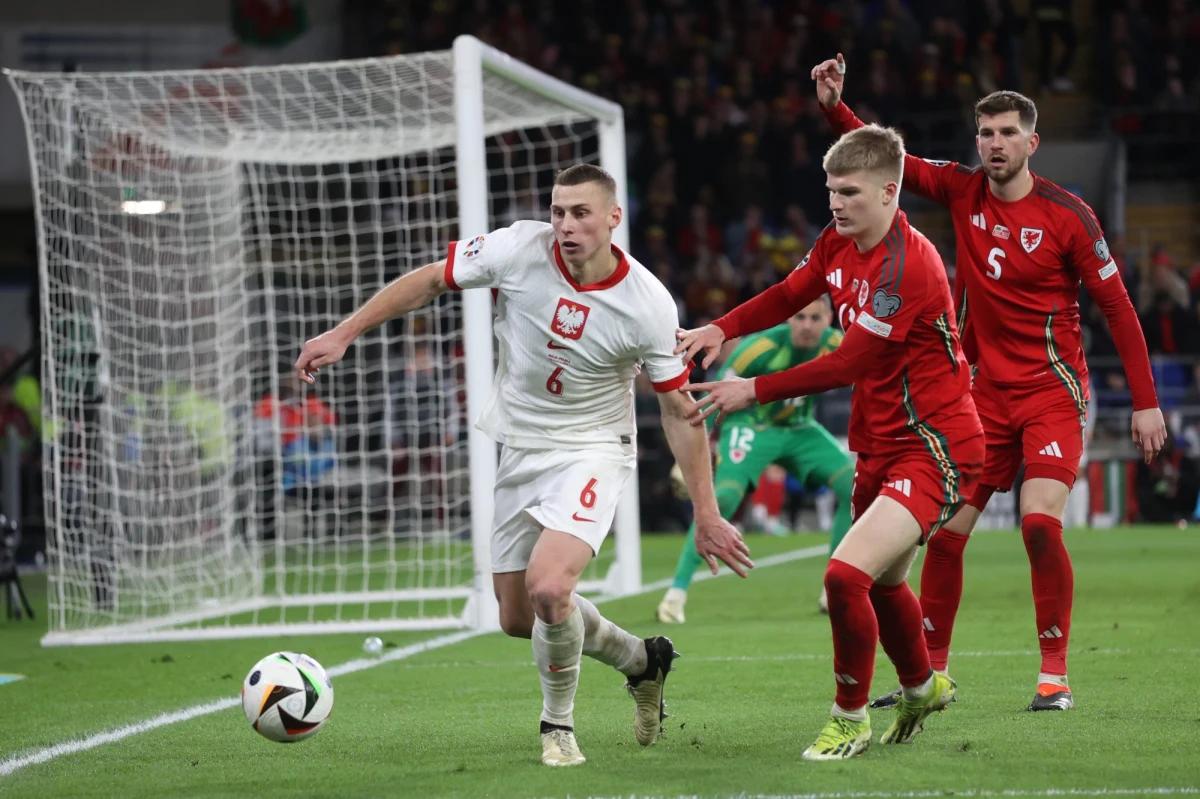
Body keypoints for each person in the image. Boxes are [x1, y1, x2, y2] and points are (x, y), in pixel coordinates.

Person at [294, 164, 752, 767]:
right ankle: (643, 660)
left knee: (550, 586)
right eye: (559, 211)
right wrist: (345, 331)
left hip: (592, 447)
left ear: (614, 218)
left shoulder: (648, 305)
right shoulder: (517, 247)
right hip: (521, 445)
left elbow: (677, 410)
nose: (565, 224)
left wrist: (707, 511)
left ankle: (556, 726)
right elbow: (434, 279)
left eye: (581, 213)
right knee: (520, 616)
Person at [812, 54, 1165, 711]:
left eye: (1006, 133)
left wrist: (1146, 402)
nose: (994, 144)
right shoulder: (960, 189)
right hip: (979, 398)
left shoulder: (1069, 215)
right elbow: (891, 167)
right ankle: (933, 673)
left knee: (1037, 523)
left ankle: (1054, 672)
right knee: (945, 536)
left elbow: (1117, 307)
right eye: (984, 133)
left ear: (1032, 142)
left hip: (1051, 392)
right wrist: (837, 108)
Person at [677, 124, 984, 760]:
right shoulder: (835, 240)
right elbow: (791, 293)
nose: (835, 203)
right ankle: (922, 685)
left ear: (890, 192)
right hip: (878, 441)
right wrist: (721, 327)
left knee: (844, 576)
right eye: (830, 191)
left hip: (936, 443)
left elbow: (849, 366)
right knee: (882, 583)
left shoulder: (909, 266)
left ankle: (850, 718)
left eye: (848, 192)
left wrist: (749, 389)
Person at [657, 296, 854, 623]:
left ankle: (835, 589)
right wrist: (694, 453)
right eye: (800, 317)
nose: (807, 325)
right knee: (724, 498)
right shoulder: (758, 348)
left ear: (828, 319)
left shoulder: (838, 344)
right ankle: (675, 594)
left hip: (800, 428)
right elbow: (714, 396)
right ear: (790, 319)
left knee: (854, 485)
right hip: (752, 426)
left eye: (815, 318)